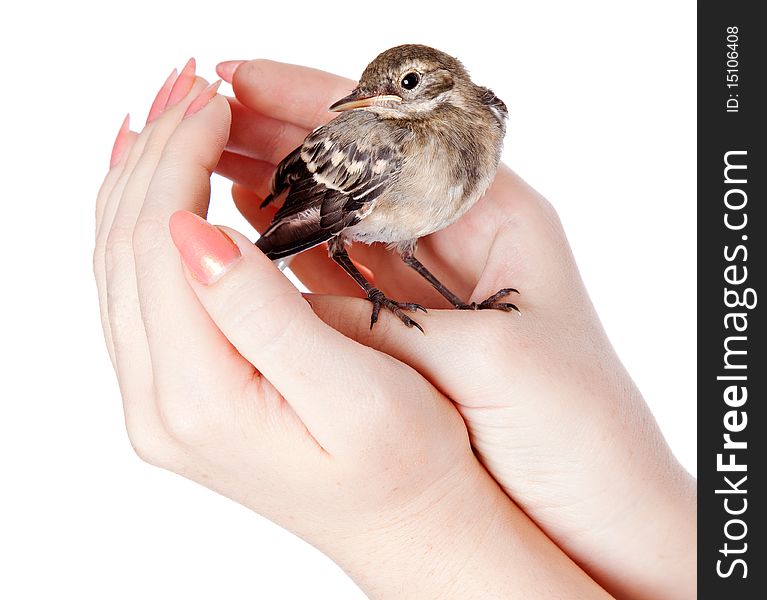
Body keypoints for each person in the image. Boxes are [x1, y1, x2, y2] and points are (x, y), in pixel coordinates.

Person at [93, 58, 696, 599]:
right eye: (372, 88)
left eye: (404, 84)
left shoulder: (483, 115)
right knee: (341, 247)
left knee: (403, 251)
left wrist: (412, 514)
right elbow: (319, 214)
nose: (376, 98)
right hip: (336, 205)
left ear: (444, 82)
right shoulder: (380, 143)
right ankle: (384, 296)